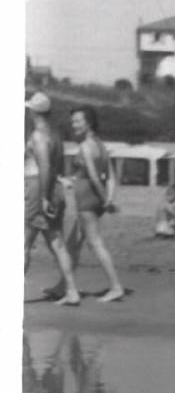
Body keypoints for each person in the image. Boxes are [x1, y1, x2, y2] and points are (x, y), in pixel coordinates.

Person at [48, 106, 125, 302]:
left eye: (77, 121)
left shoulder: (85, 146)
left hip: (87, 200)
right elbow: (111, 177)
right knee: (74, 242)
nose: (73, 125)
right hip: (95, 199)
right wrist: (108, 198)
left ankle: (116, 287)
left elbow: (92, 176)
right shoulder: (100, 145)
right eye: (72, 121)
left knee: (95, 243)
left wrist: (104, 201)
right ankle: (62, 286)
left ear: (88, 122)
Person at [24, 91, 81, 306]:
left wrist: (44, 197)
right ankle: (72, 291)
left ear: (34, 112)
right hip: (54, 187)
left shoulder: (38, 135)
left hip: (39, 188)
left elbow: (45, 166)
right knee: (57, 242)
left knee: (24, 243)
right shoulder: (55, 134)